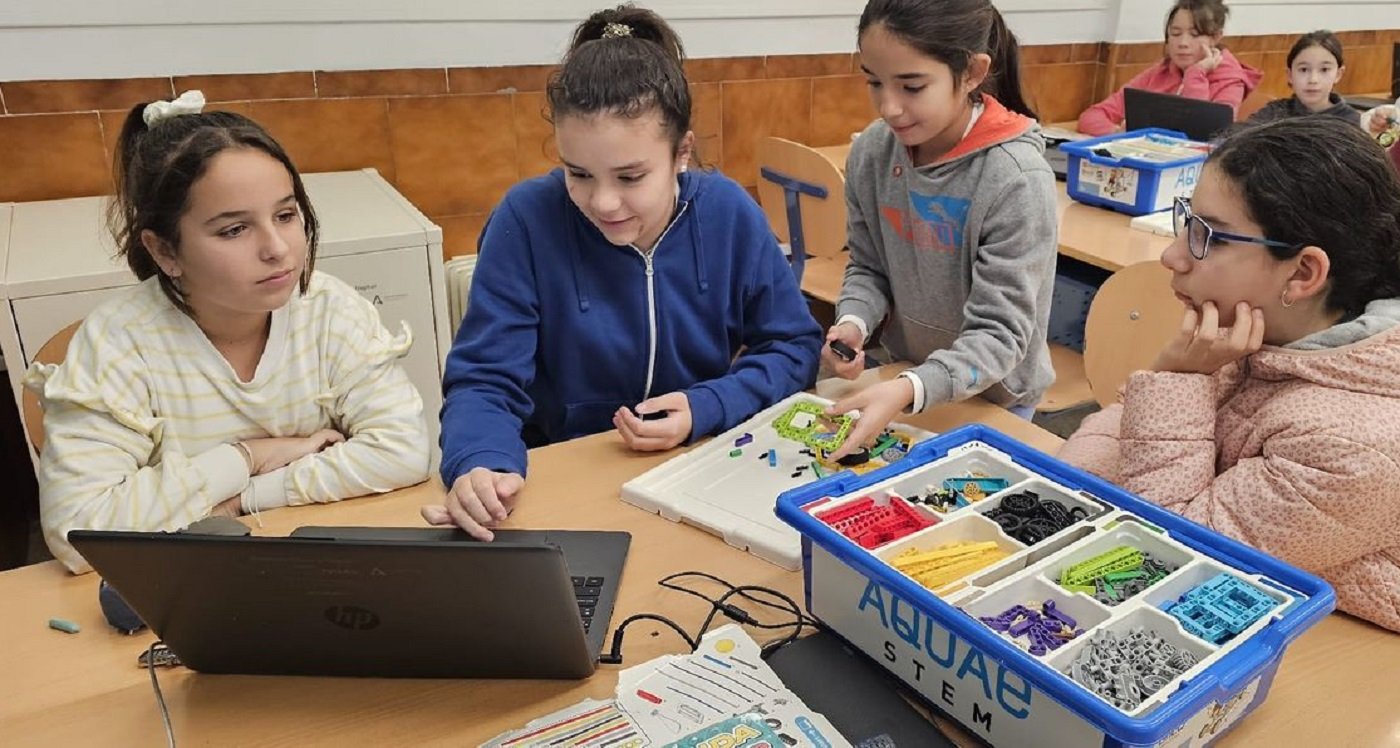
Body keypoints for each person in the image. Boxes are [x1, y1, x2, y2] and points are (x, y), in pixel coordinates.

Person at [429, 5, 823, 539]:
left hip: (696, 474)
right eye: (579, 173)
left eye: (631, 175)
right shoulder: (526, 218)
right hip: (562, 481)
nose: (605, 201)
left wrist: (706, 406)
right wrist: (481, 461)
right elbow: (484, 380)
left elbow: (793, 348)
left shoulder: (729, 214)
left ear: (682, 152)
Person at [31, 91, 432, 573]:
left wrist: (245, 497)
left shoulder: (329, 309)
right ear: (164, 252)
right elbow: (79, 533)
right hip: (195, 583)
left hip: (322, 565)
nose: (277, 248)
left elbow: (403, 451)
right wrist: (247, 456)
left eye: (286, 215)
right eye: (233, 230)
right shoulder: (119, 344)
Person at [1059, 117, 1400, 633]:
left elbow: (1165, 561)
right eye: (1186, 221)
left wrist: (1176, 381)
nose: (1173, 255)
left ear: (1303, 273)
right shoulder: (1253, 336)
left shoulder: (1352, 447)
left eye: (1209, 237)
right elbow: (1096, 455)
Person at [821, 0, 1057, 460]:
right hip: (910, 378)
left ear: (971, 73)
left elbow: (999, 334)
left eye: (911, 86)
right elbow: (869, 267)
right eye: (874, 81)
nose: (889, 107)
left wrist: (910, 387)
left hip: (995, 400)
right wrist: (854, 321)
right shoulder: (872, 153)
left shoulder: (1015, 178)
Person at [1078, 0, 1261, 136]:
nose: (1183, 43)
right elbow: (1093, 115)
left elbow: (1201, 135)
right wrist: (1118, 134)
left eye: (1195, 35)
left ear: (1216, 37)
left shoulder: (1231, 82)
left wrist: (1195, 75)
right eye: (1175, 33)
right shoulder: (1160, 72)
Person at [1248, 30, 1358, 125]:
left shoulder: (1351, 120)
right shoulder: (1273, 113)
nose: (1313, 80)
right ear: (1290, 75)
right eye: (1304, 70)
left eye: (1324, 70)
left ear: (1338, 74)